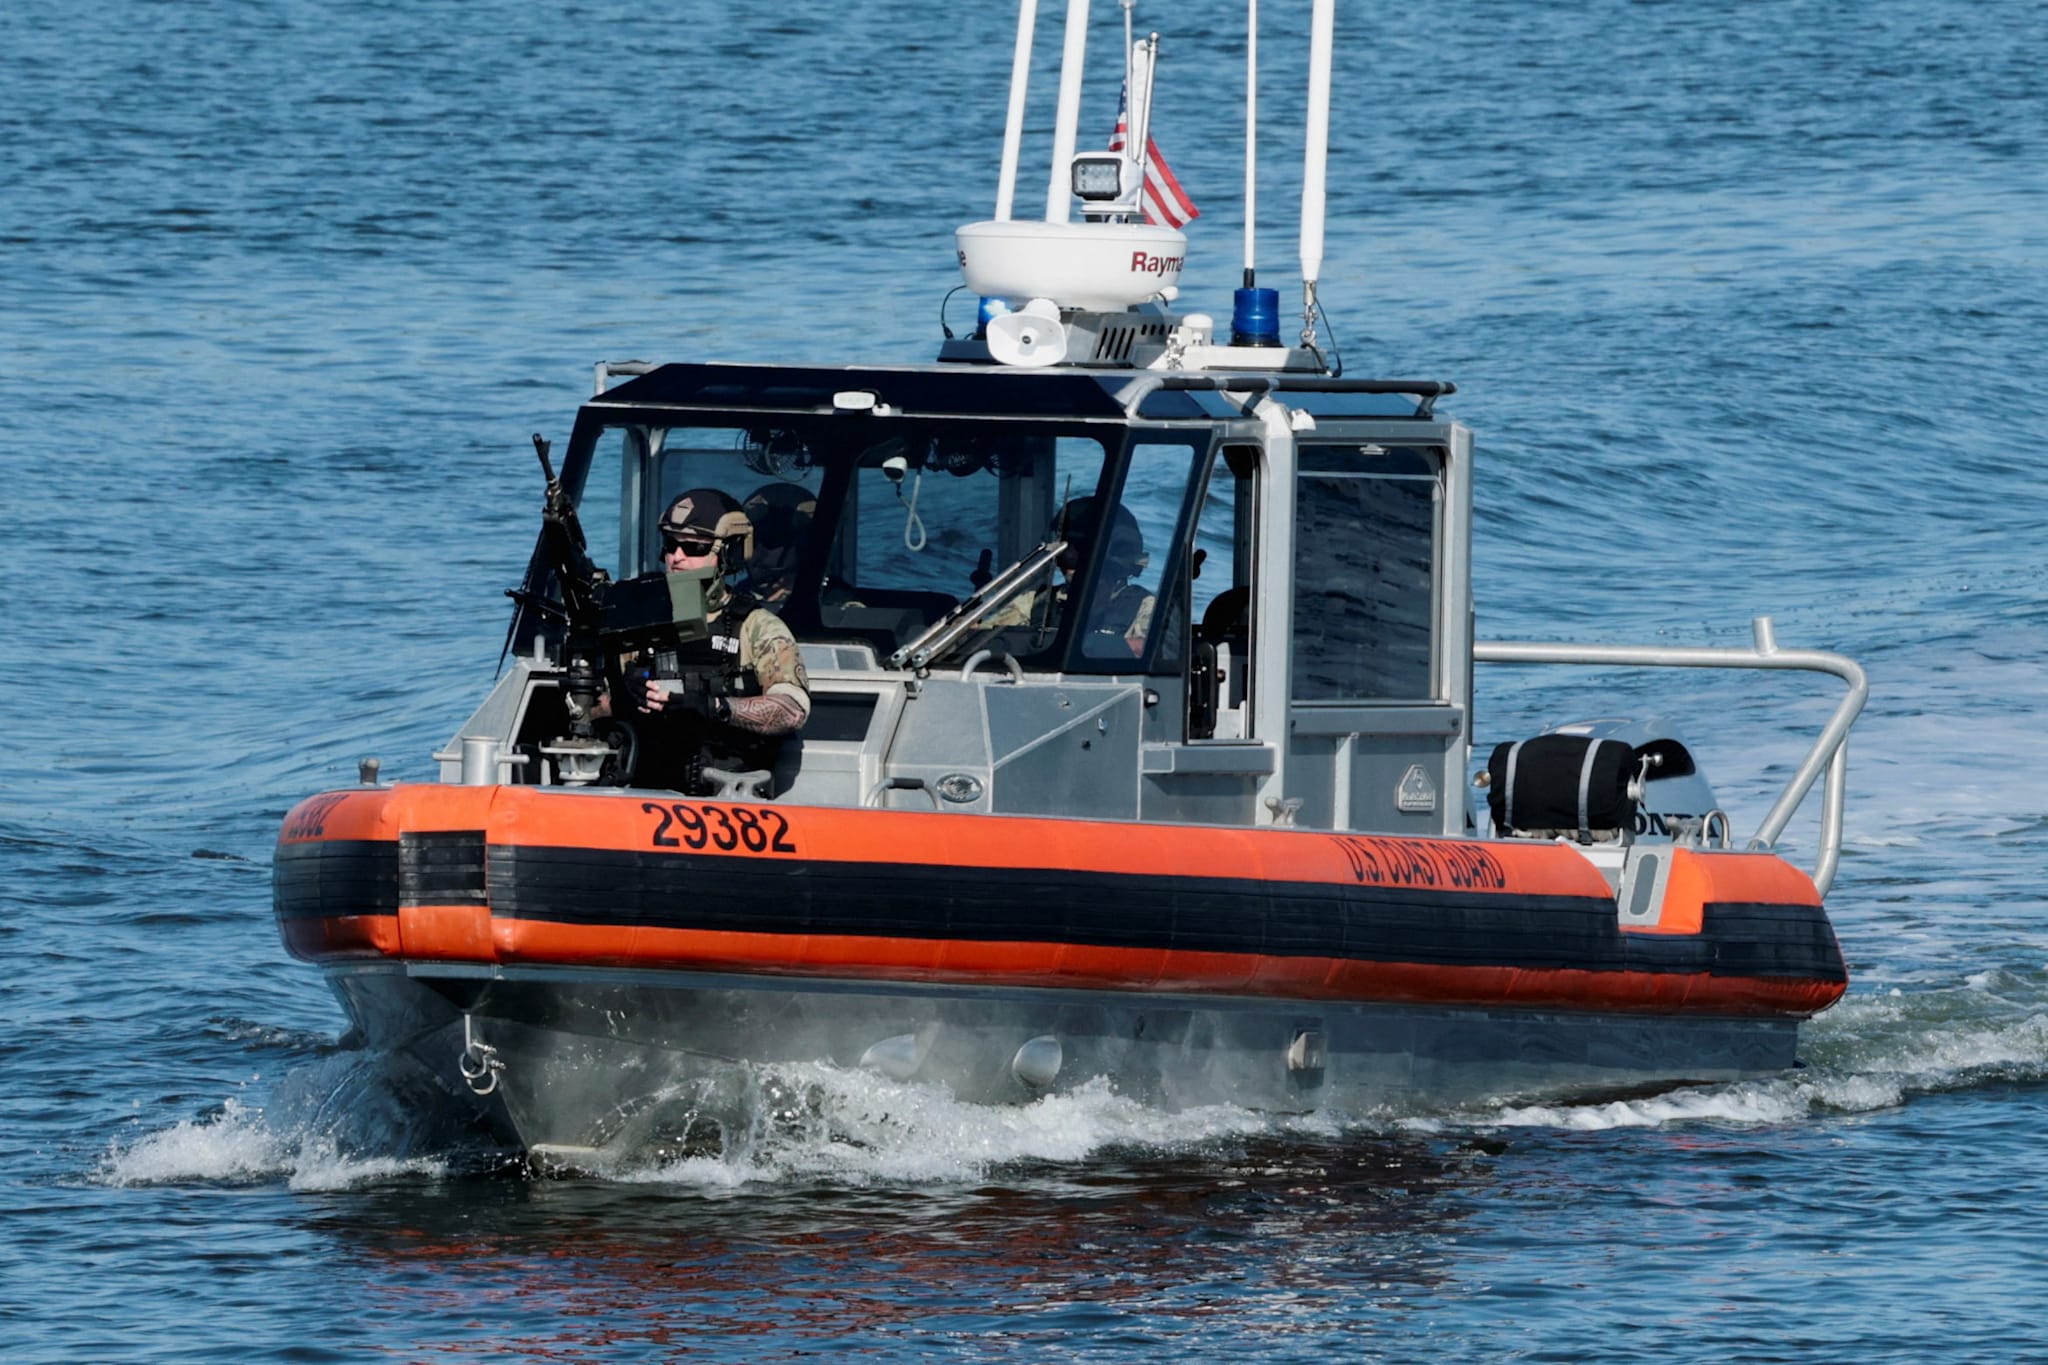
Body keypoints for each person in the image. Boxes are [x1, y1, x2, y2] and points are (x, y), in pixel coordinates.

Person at [627, 488, 811, 795]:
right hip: (649, 792)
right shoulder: (643, 622)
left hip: (733, 797)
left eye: (694, 548)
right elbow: (596, 706)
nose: (677, 558)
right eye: (671, 545)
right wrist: (622, 693)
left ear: (727, 554)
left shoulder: (757, 627)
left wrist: (714, 707)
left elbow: (791, 710)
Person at [978, 496, 1154, 656]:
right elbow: (979, 640)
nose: (1066, 564)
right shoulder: (1034, 603)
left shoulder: (1146, 608)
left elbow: (1155, 653)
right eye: (1063, 551)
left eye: (1073, 552)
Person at [742, 480, 817, 607]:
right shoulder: (738, 595)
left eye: (769, 542)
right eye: (752, 542)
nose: (757, 554)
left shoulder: (833, 601)